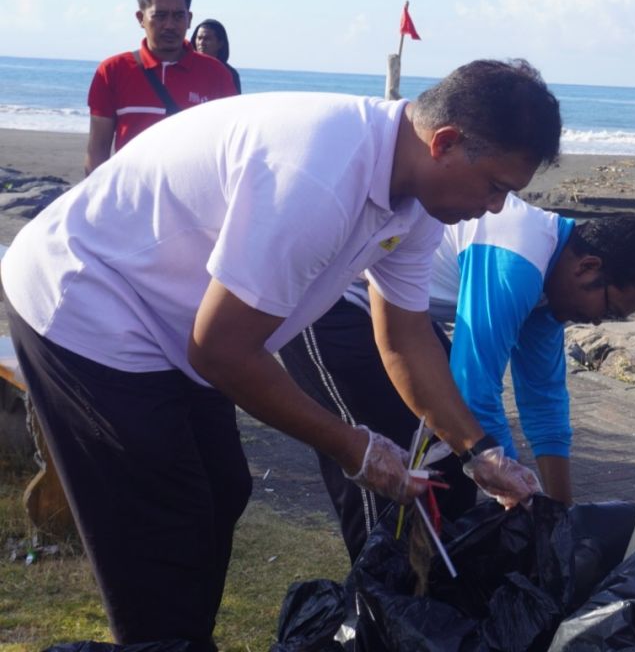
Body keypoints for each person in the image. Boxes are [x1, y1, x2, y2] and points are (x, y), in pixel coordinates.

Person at [2, 59, 560, 649]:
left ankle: (182, 637)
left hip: (177, 317)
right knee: (164, 522)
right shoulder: (320, 177)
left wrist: (479, 452)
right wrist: (356, 446)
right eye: (495, 186)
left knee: (222, 489)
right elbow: (221, 352)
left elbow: (404, 337)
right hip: (87, 299)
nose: (496, 208)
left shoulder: (416, 200)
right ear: (444, 142)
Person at [280, 197, 635, 560]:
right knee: (381, 462)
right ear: (588, 268)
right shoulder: (518, 258)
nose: (602, 321)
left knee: (450, 461)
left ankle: (432, 591)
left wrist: (561, 522)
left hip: (400, 317)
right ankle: (372, 605)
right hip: (332, 303)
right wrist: (514, 484)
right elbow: (474, 390)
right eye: (610, 310)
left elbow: (544, 404)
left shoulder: (554, 287)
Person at [85, 0, 237, 175]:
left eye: (178, 16)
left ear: (189, 19)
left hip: (195, 198)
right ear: (141, 18)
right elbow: (98, 148)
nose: (170, 25)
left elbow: (230, 145)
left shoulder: (218, 74)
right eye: (160, 16)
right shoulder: (112, 71)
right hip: (132, 196)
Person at [191, 18, 242, 94]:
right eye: (199, 38)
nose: (201, 43)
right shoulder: (187, 69)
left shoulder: (229, 74)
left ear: (220, 43)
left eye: (207, 39)